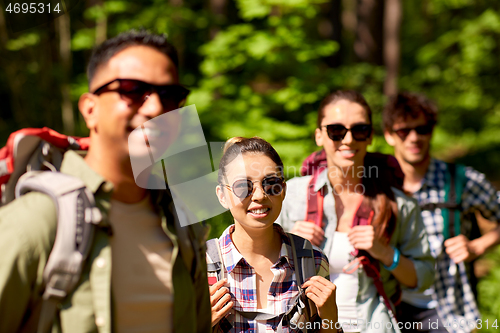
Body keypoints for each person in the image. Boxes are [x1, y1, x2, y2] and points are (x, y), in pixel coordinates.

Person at [0, 30, 211, 333]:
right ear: (90, 109)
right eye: (132, 90)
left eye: (169, 96)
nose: (154, 109)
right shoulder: (33, 224)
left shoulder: (186, 230)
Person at [277, 90, 435, 333]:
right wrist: (288, 243)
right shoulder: (290, 196)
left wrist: (385, 253)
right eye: (336, 131)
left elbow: (423, 277)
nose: (348, 140)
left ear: (370, 136)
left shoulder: (398, 204)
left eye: (359, 130)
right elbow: (258, 263)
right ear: (319, 135)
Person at [383, 92, 500, 333]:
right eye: (404, 131)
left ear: (432, 131)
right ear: (389, 135)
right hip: (387, 306)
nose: (414, 138)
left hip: (448, 309)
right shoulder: (377, 185)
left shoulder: (461, 180)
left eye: (422, 129)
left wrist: (477, 246)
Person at [208, 137, 339, 332]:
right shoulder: (201, 266)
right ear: (222, 195)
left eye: (271, 184)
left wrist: (330, 319)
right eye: (243, 186)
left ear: (283, 190)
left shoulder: (313, 261)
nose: (260, 195)